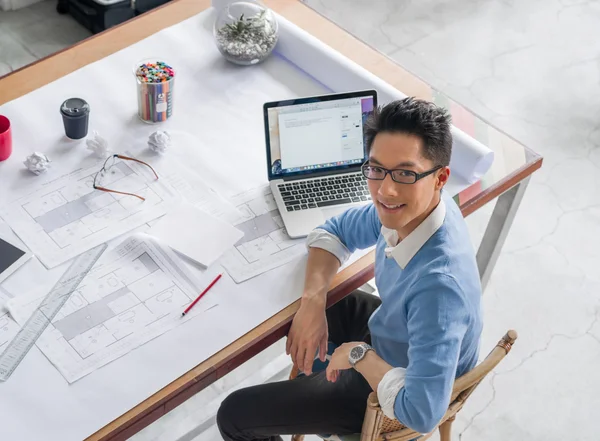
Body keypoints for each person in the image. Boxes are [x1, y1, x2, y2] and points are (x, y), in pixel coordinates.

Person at [217, 97, 483, 441]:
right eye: (376, 169)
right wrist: (313, 303)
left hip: (398, 388)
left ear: (440, 178)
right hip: (397, 333)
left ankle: (323, 394)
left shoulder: (439, 290)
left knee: (234, 415)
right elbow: (333, 232)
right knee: (300, 306)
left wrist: (359, 356)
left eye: (405, 173)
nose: (385, 190)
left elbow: (421, 413)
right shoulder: (416, 207)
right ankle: (316, 383)